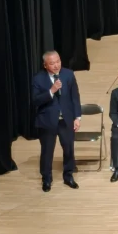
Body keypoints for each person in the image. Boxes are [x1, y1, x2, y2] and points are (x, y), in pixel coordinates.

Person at [31, 50, 82, 192]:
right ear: (45, 65)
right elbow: (35, 100)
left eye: (58, 61)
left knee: (69, 149)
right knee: (47, 152)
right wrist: (51, 91)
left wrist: (77, 117)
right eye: (52, 63)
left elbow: (75, 97)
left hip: (66, 120)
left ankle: (68, 176)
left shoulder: (68, 74)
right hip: (47, 121)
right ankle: (46, 179)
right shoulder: (38, 79)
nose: (56, 65)